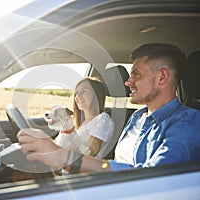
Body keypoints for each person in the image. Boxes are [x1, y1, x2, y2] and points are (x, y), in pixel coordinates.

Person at [17, 43, 200, 174]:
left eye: (135, 74)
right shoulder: (137, 117)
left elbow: (155, 178)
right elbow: (117, 164)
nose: (128, 82)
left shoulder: (188, 122)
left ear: (162, 77)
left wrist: (63, 158)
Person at [54, 77, 115, 158]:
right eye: (76, 93)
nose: (78, 96)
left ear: (96, 95)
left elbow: (87, 152)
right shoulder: (79, 122)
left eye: (83, 91)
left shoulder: (103, 120)